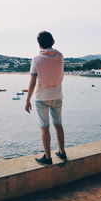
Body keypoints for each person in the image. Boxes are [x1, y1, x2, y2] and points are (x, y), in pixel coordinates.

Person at [25, 31, 67, 166]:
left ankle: (48, 158)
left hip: (42, 97)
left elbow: (32, 83)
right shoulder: (60, 56)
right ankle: (62, 152)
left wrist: (27, 100)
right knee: (58, 124)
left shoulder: (36, 59)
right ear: (53, 41)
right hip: (57, 95)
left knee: (44, 127)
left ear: (39, 44)